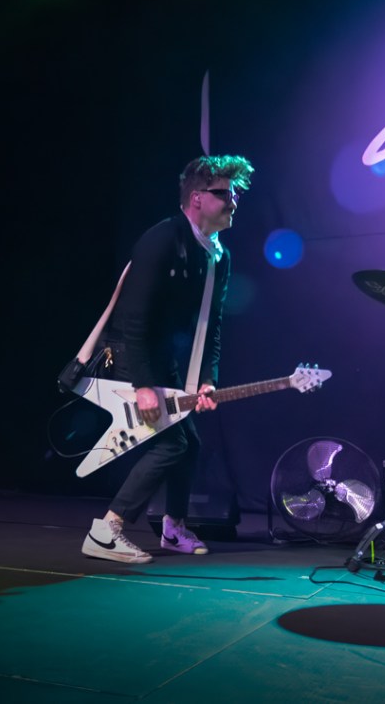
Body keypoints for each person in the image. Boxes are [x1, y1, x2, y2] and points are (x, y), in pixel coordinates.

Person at [80, 155, 254, 564]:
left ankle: (173, 529)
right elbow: (133, 316)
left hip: (162, 359)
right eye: (225, 194)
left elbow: (211, 325)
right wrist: (142, 384)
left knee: (189, 444)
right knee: (173, 443)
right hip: (130, 353)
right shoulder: (162, 239)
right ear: (197, 198)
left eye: (236, 195)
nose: (233, 202)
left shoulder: (219, 256)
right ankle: (106, 530)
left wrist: (207, 379)